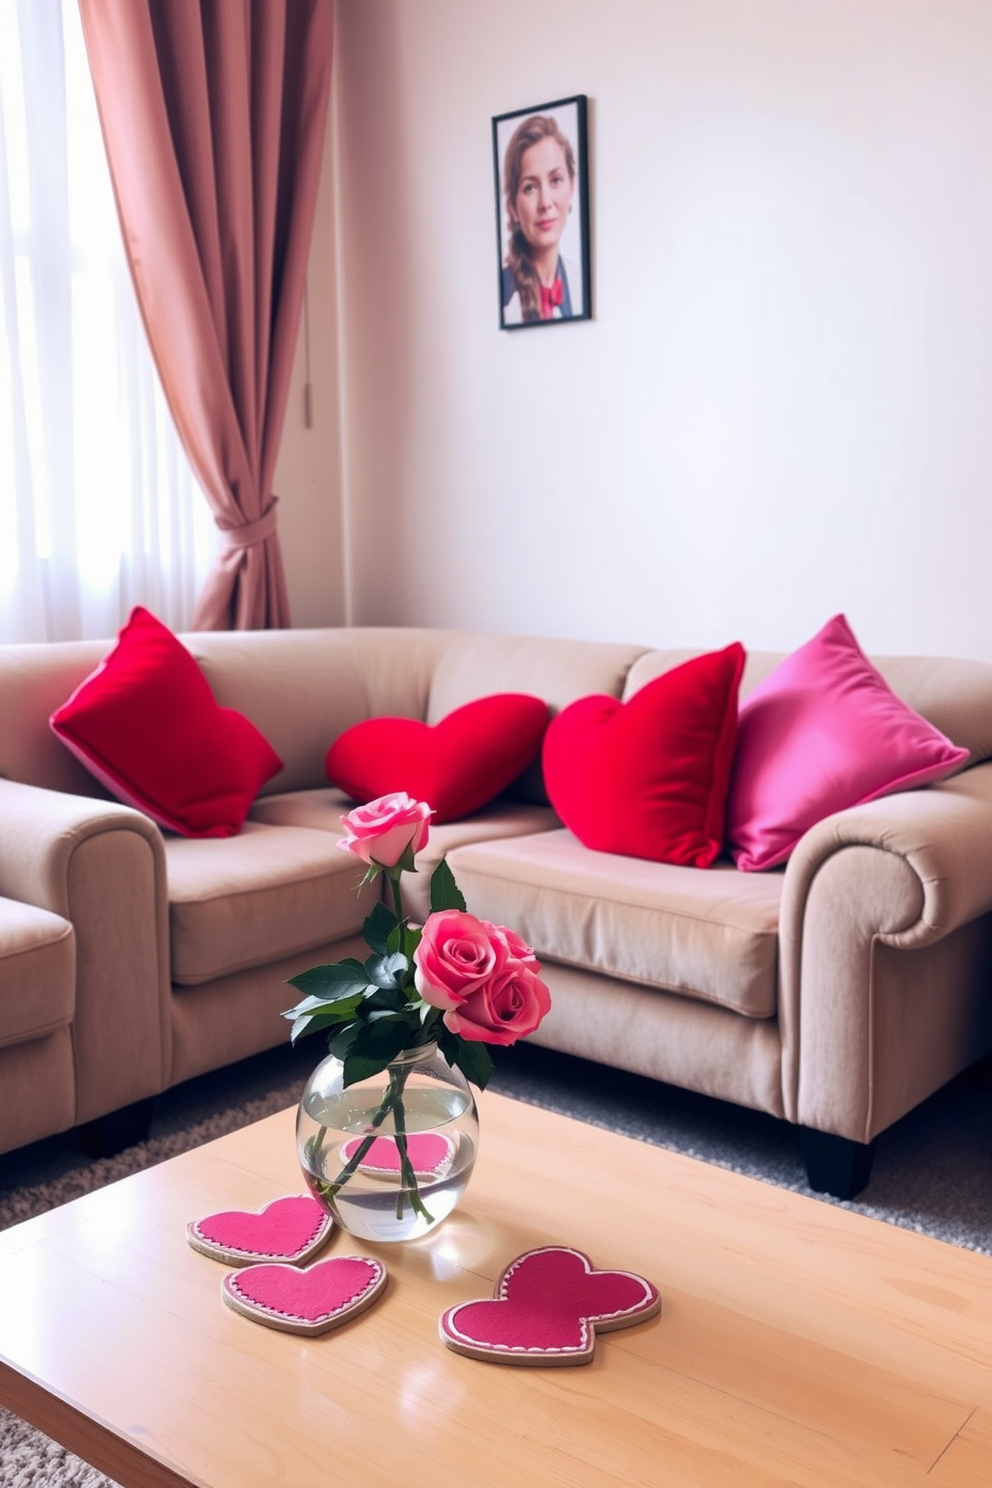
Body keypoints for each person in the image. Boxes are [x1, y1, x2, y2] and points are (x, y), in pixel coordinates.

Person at [501, 114, 583, 325]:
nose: (545, 202)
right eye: (530, 187)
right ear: (512, 206)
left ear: (572, 185)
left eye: (555, 180)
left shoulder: (580, 281)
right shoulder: (501, 290)